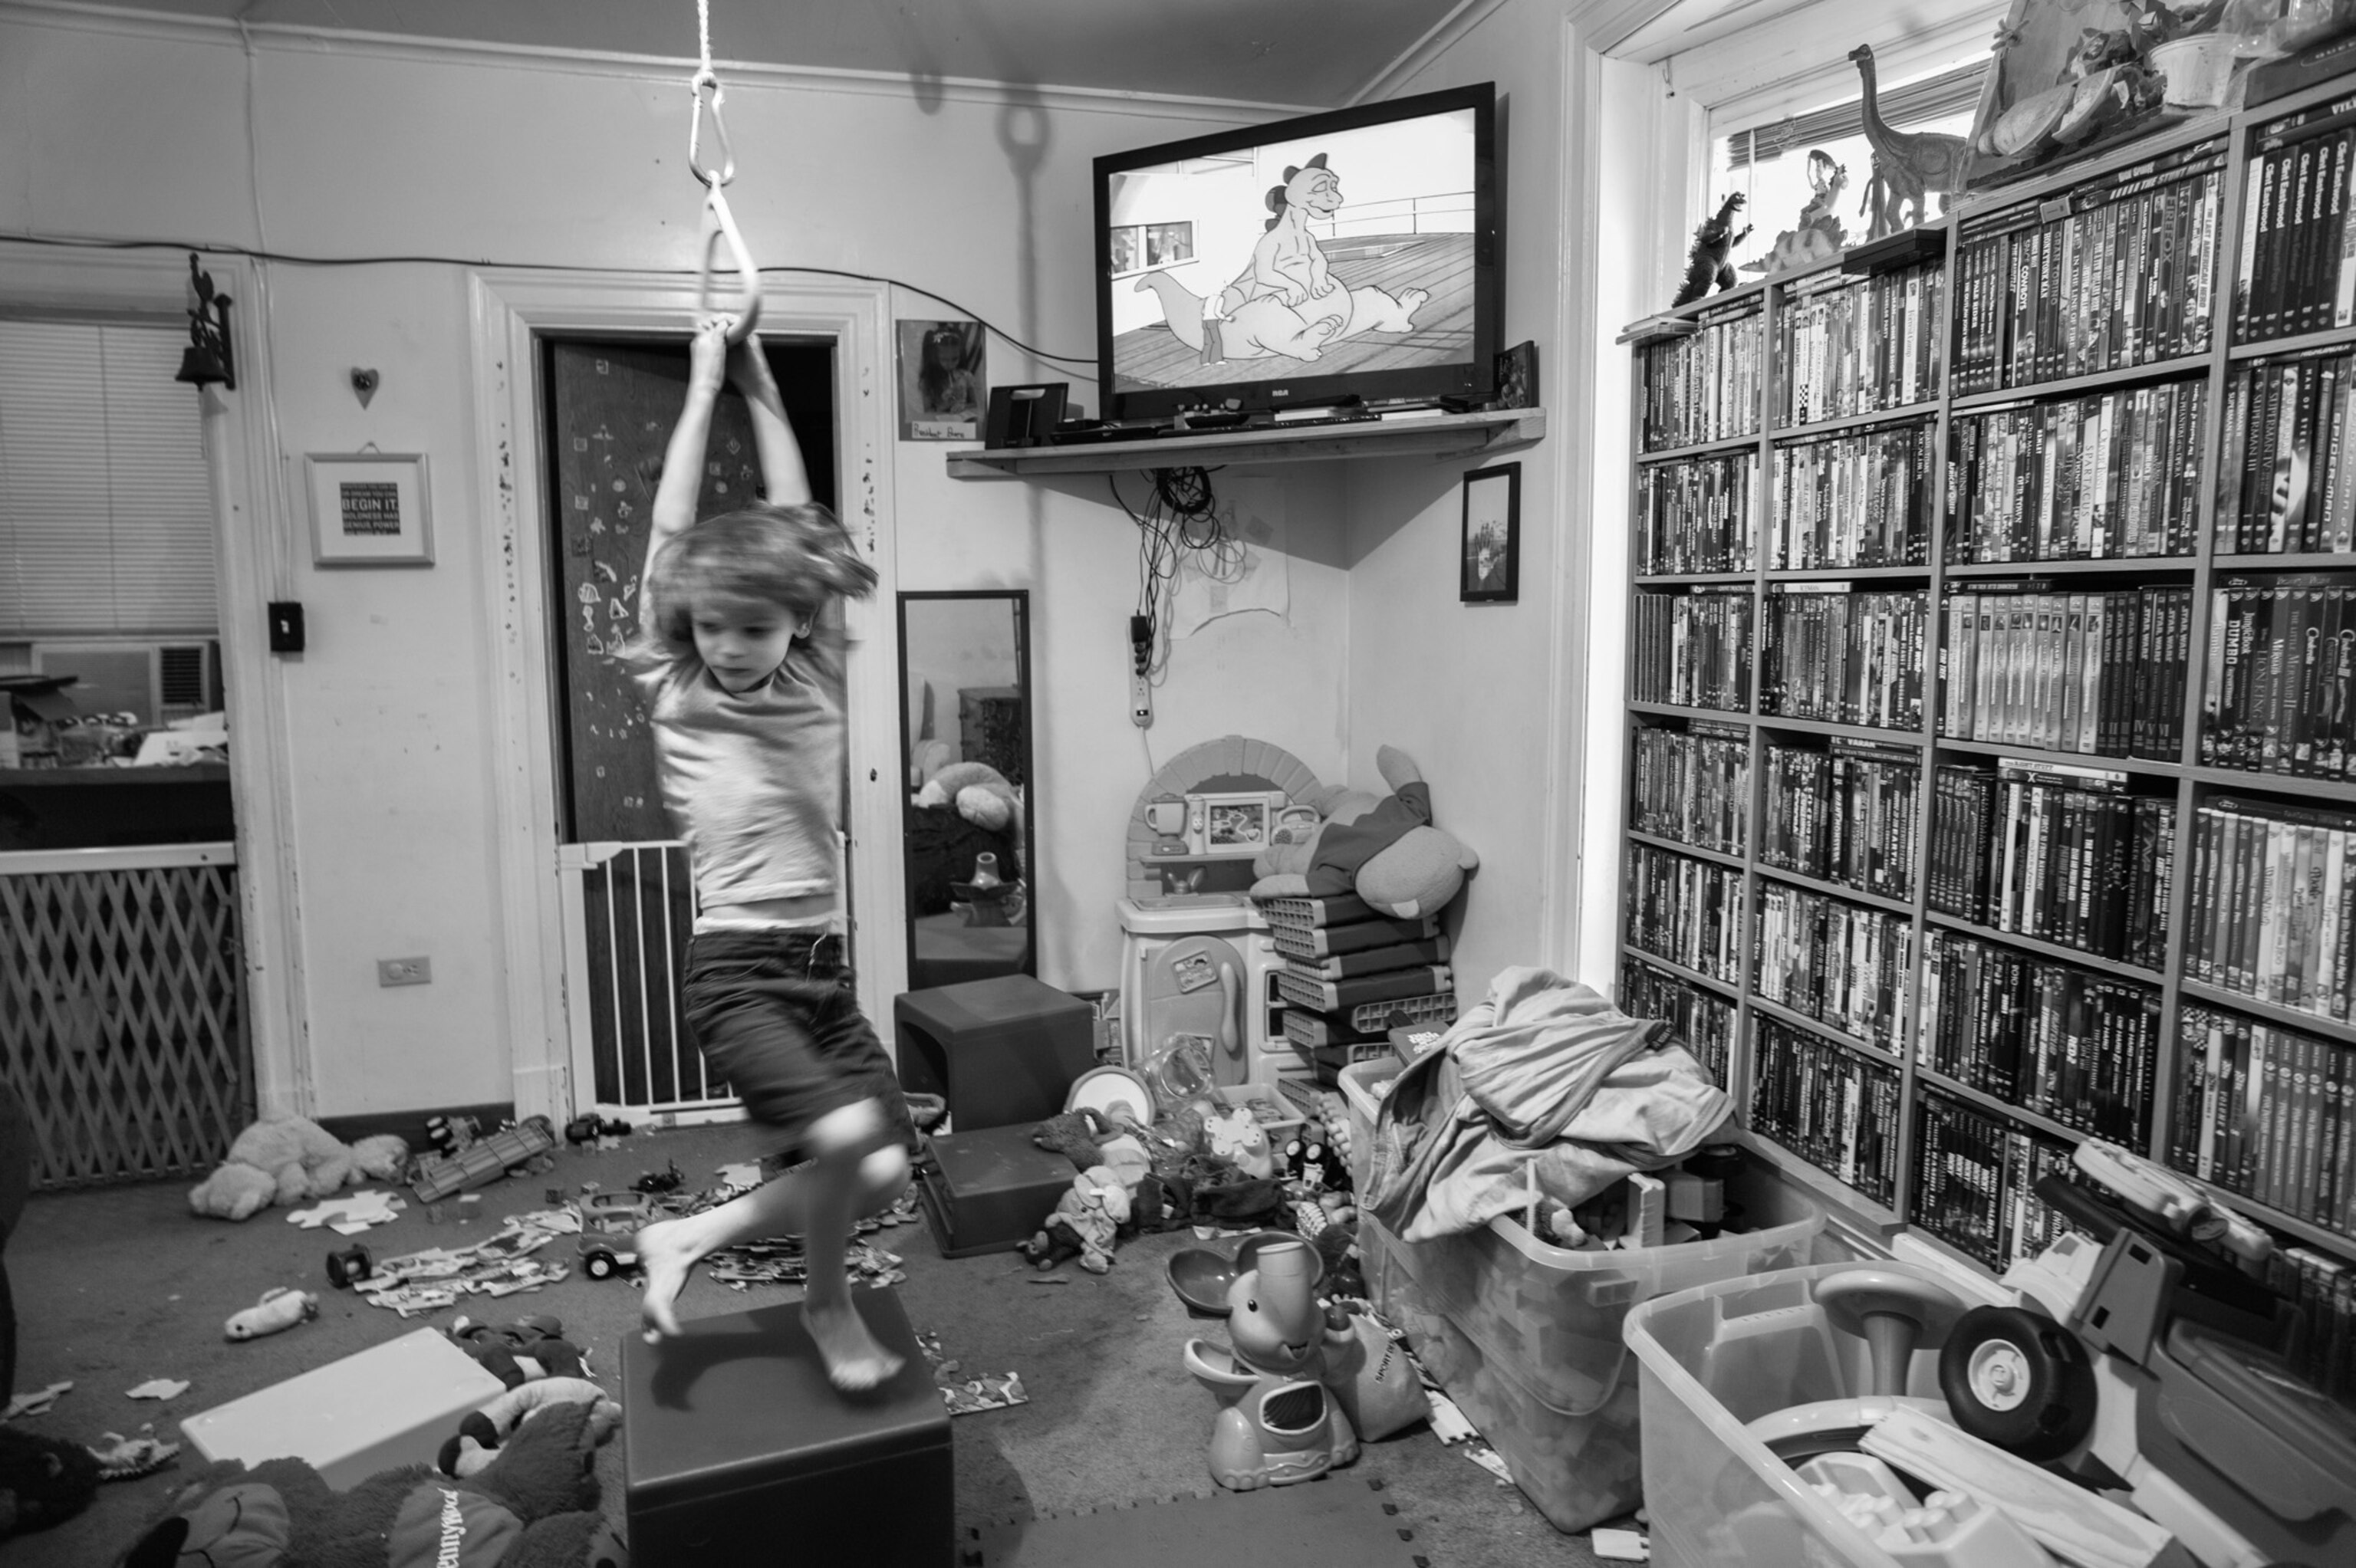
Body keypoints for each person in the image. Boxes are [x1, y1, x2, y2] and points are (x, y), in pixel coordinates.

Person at [624, 317, 916, 1391]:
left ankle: (693, 1240)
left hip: (820, 975)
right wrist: (702, 382)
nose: (730, 645)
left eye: (754, 626)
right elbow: (669, 530)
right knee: (842, 1138)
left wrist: (762, 382)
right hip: (738, 971)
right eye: (712, 626)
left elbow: (801, 524)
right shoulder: (681, 696)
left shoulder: (815, 682)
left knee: (883, 1165)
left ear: (797, 620)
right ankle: (825, 1304)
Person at [917, 324, 978, 416]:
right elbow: (928, 412)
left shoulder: (966, 376)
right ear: (935, 357)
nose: (950, 364)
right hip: (941, 428)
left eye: (955, 359)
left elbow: (976, 404)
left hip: (965, 426)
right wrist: (944, 407)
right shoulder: (928, 381)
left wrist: (964, 406)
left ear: (960, 355)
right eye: (944, 360)